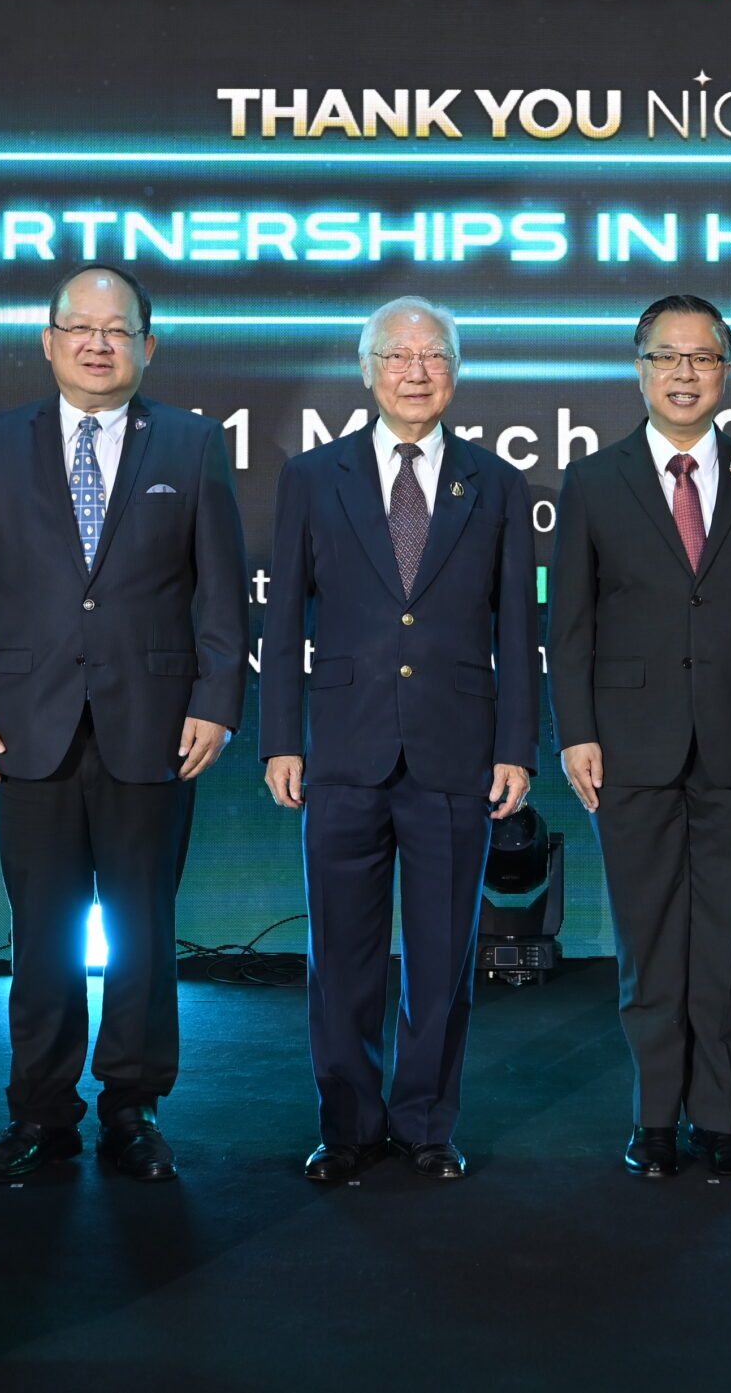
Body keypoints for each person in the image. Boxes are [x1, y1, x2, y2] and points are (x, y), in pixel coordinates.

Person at [0, 264, 248, 1184]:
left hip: (155, 724)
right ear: (49, 340)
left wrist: (216, 701)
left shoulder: (190, 442)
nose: (98, 344)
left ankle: (132, 1107)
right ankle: (40, 1111)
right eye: (80, 328)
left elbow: (223, 595)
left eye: (118, 330)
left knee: (143, 929)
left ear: (148, 344)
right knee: (42, 932)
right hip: (27, 726)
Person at [262, 297, 537, 1183]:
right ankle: (346, 1125)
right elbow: (281, 621)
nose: (416, 372)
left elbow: (517, 630)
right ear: (367, 369)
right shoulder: (313, 476)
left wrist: (517, 746)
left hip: (457, 752)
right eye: (398, 356)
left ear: (456, 371)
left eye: (435, 356)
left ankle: (426, 1123)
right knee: (340, 956)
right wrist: (280, 738)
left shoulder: (496, 482)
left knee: (441, 954)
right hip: (343, 749)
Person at [551, 294, 731, 1181]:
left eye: (701, 357)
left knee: (726, 939)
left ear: (726, 371)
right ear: (639, 369)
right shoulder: (595, 479)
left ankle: (719, 1120)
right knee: (649, 942)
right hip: (629, 744)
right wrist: (577, 731)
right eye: (666, 356)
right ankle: (655, 1119)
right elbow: (571, 627)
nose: (683, 373)